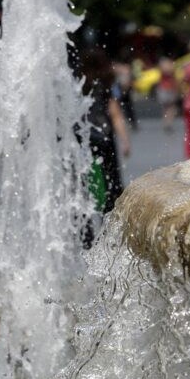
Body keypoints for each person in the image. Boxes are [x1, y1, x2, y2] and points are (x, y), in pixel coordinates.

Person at [77, 47, 131, 248]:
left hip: (81, 138)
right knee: (112, 184)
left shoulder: (78, 84)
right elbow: (115, 113)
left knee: (82, 183)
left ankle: (86, 236)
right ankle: (111, 232)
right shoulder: (108, 83)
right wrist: (125, 140)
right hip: (104, 138)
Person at [155, 56, 179, 133]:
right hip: (166, 88)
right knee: (169, 107)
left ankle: (167, 123)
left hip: (167, 88)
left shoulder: (164, 67)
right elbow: (169, 72)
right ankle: (168, 123)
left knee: (168, 107)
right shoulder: (168, 67)